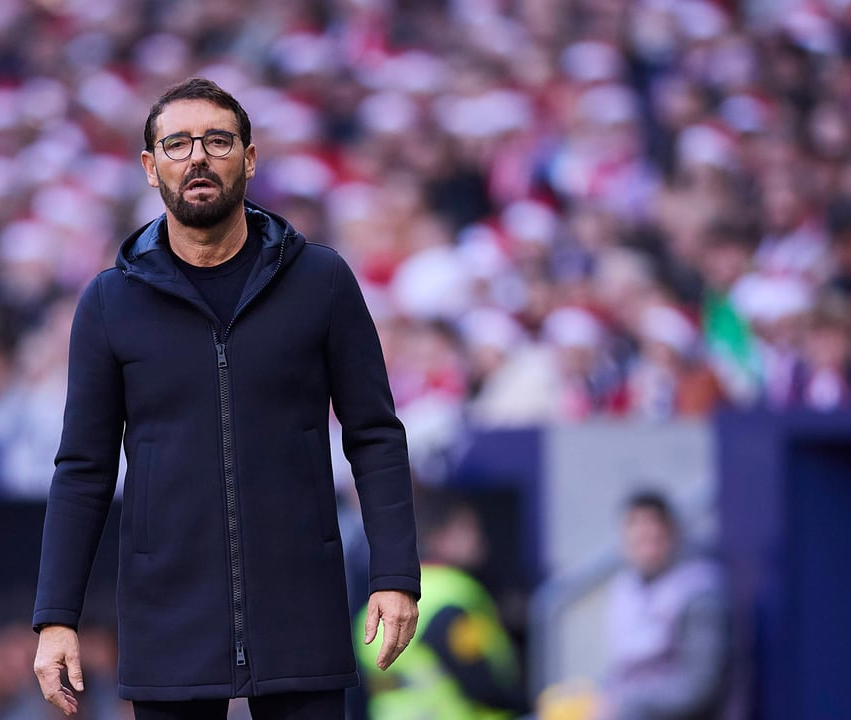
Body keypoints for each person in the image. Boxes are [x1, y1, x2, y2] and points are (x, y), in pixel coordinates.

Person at [31, 78, 421, 720]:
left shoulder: (320, 280)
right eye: (177, 144)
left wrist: (396, 575)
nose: (198, 157)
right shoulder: (109, 302)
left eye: (218, 140)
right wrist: (55, 617)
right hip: (167, 614)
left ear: (249, 158)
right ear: (150, 167)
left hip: (300, 602)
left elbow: (375, 434)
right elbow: (82, 470)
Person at [356, 492, 523, 720]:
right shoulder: (452, 592)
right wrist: (528, 705)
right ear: (439, 537)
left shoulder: (381, 596)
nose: (480, 539)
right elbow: (479, 684)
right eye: (467, 530)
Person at [600, 491, 728, 720]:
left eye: (653, 537)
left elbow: (699, 687)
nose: (646, 547)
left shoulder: (698, 592)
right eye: (638, 539)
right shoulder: (628, 588)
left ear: (671, 534)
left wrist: (628, 704)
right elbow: (623, 668)